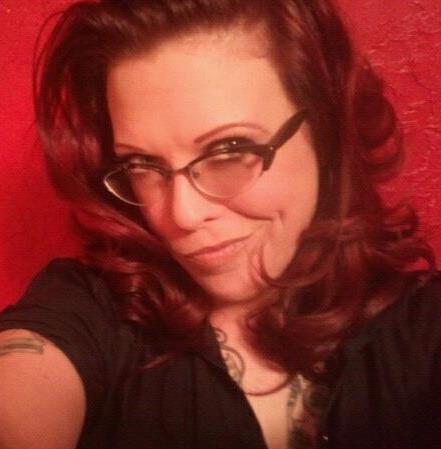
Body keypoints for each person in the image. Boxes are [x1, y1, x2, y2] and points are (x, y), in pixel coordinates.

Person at [0, 0, 439, 448]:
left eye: (229, 151)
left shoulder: (424, 329)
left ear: (327, 131)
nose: (181, 216)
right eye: (142, 164)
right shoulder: (90, 307)